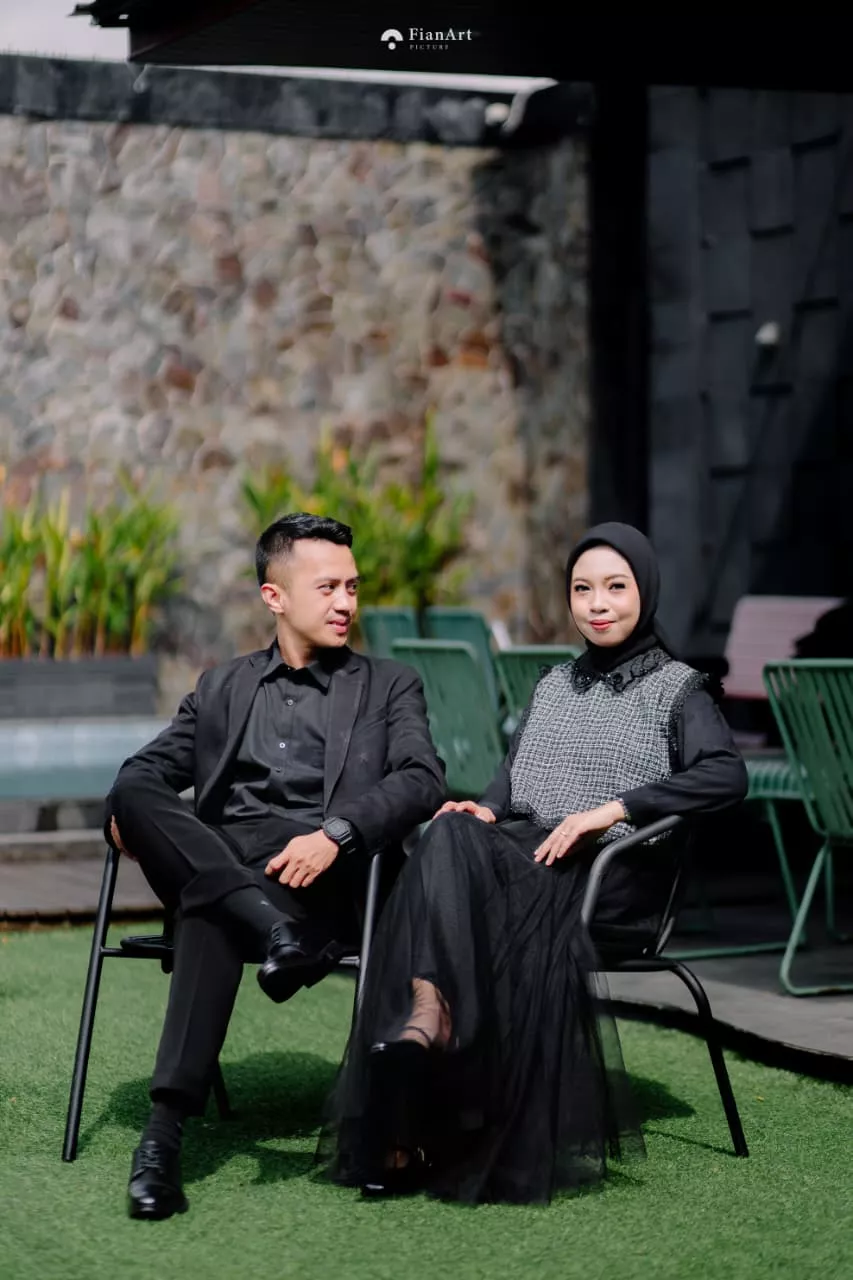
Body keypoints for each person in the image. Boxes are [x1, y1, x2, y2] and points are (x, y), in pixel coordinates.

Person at [318, 521, 749, 1205]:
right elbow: (514, 775)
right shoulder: (553, 685)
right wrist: (486, 808)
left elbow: (726, 776)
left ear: (646, 591)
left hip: (607, 879)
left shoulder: (680, 689)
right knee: (449, 828)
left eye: (615, 587)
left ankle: (422, 1059)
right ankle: (426, 1022)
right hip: (530, 860)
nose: (597, 604)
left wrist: (611, 810)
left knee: (452, 863)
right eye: (582, 589)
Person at [106, 513, 446, 1220]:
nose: (346, 603)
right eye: (327, 588)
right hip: (233, 864)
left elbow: (422, 779)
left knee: (207, 904)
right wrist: (125, 814)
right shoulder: (222, 686)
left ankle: (161, 1140)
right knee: (134, 794)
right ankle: (262, 926)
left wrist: (336, 834)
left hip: (322, 883)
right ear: (275, 597)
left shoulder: (389, 685)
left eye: (352, 586)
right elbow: (144, 774)